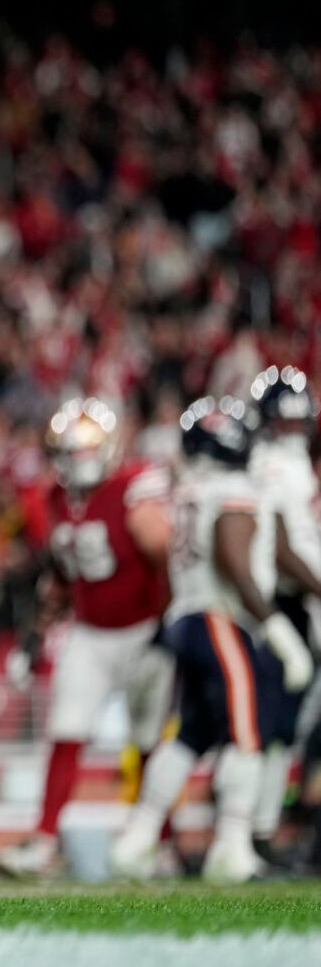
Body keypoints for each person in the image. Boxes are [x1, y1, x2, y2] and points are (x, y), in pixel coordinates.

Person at [109, 397, 316, 883]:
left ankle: (137, 838)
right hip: (222, 618)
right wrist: (277, 629)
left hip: (188, 619)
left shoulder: (190, 489)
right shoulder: (230, 489)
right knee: (246, 733)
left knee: (190, 736)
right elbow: (235, 561)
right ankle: (233, 846)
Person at [0, 399, 175, 878]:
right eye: (68, 452)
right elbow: (60, 572)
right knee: (66, 730)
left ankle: (158, 842)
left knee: (149, 740)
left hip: (143, 631)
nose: (77, 461)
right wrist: (35, 634)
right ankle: (45, 840)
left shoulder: (133, 487)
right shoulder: (56, 497)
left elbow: (165, 552)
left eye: (86, 449)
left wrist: (169, 625)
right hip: (89, 632)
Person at [245, 366, 321, 864]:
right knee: (271, 726)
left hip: (297, 602)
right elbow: (276, 546)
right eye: (284, 422)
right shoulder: (271, 464)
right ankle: (259, 832)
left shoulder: (292, 463)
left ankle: (270, 829)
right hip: (279, 604)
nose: (292, 431)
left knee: (289, 726)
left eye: (298, 422)